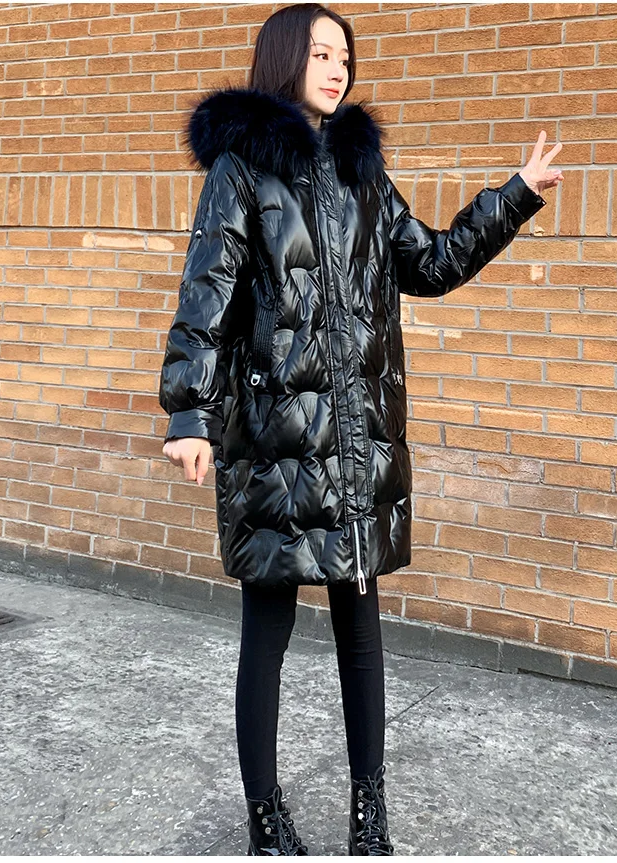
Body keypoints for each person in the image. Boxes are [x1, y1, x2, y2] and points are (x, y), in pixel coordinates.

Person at [158, 4, 563, 856]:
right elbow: (207, 295)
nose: (337, 67)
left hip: (357, 446)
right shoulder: (240, 169)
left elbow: (431, 262)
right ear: (285, 58)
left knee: (362, 638)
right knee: (266, 636)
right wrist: (188, 413)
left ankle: (369, 813)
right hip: (274, 443)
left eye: (344, 54)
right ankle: (267, 818)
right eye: (320, 52)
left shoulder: (362, 173)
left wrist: (515, 196)